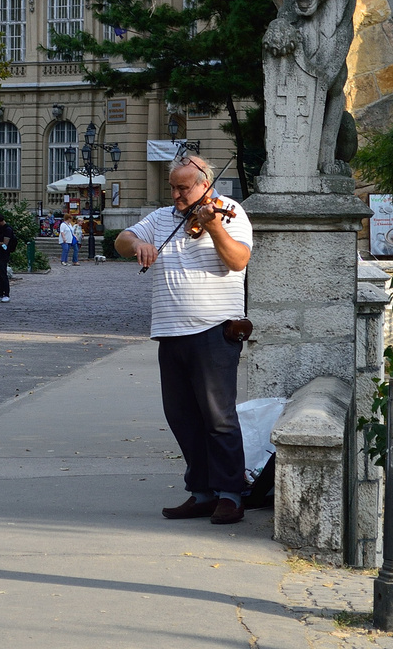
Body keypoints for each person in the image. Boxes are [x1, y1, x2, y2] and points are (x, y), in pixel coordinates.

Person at [116, 155, 253, 526]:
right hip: (169, 330)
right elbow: (121, 239)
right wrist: (137, 246)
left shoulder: (229, 212)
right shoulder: (161, 218)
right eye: (173, 187)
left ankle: (230, 495)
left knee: (218, 417)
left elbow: (239, 260)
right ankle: (202, 493)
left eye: (183, 187)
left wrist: (214, 229)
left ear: (205, 184)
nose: (176, 194)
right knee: (182, 417)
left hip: (213, 329)